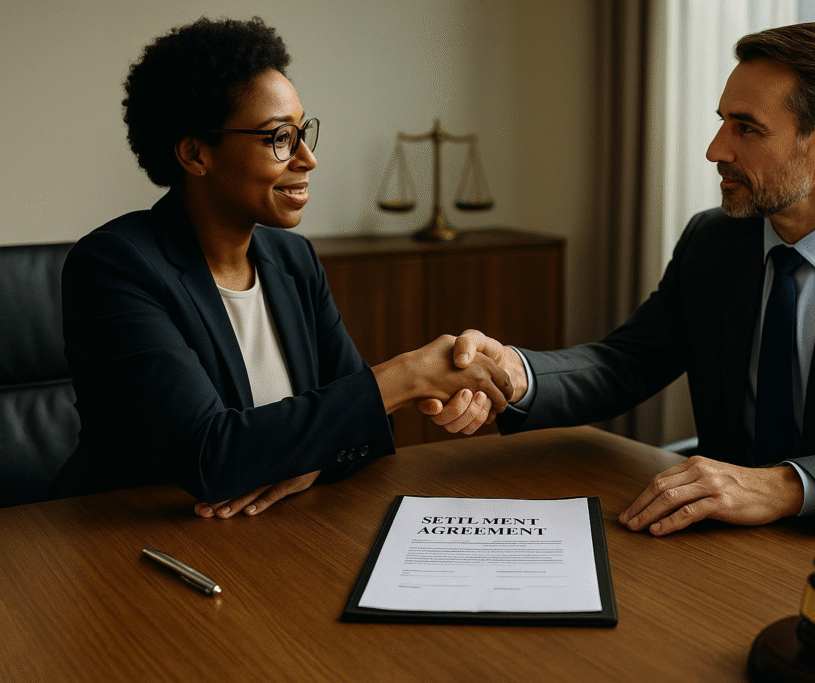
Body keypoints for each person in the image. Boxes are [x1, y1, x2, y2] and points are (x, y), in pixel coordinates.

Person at [423, 22, 815, 536]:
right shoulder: (715, 240)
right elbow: (626, 362)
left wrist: (784, 487)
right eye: (720, 123)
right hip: (733, 547)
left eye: (746, 129)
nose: (714, 149)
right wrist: (515, 372)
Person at [50, 17, 510, 518]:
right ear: (195, 153)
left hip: (269, 536)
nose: (307, 158)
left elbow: (370, 431)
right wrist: (406, 374)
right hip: (129, 543)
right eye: (279, 137)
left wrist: (304, 456)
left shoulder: (293, 260)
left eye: (302, 132)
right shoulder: (115, 267)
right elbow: (212, 457)